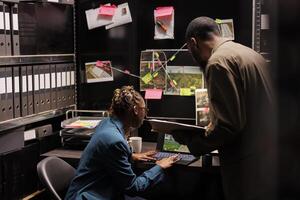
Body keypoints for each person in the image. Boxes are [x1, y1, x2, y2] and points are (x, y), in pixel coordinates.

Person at [173, 17, 276, 200]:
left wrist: (193, 143)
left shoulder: (218, 63)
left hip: (245, 166)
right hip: (267, 159)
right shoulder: (251, 54)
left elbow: (229, 126)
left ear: (193, 43)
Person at [65, 86, 178, 200]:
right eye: (144, 109)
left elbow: (107, 156)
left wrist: (131, 156)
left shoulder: (107, 123)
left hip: (91, 190)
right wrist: (159, 167)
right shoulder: (115, 141)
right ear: (135, 110)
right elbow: (133, 187)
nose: (145, 115)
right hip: (90, 196)